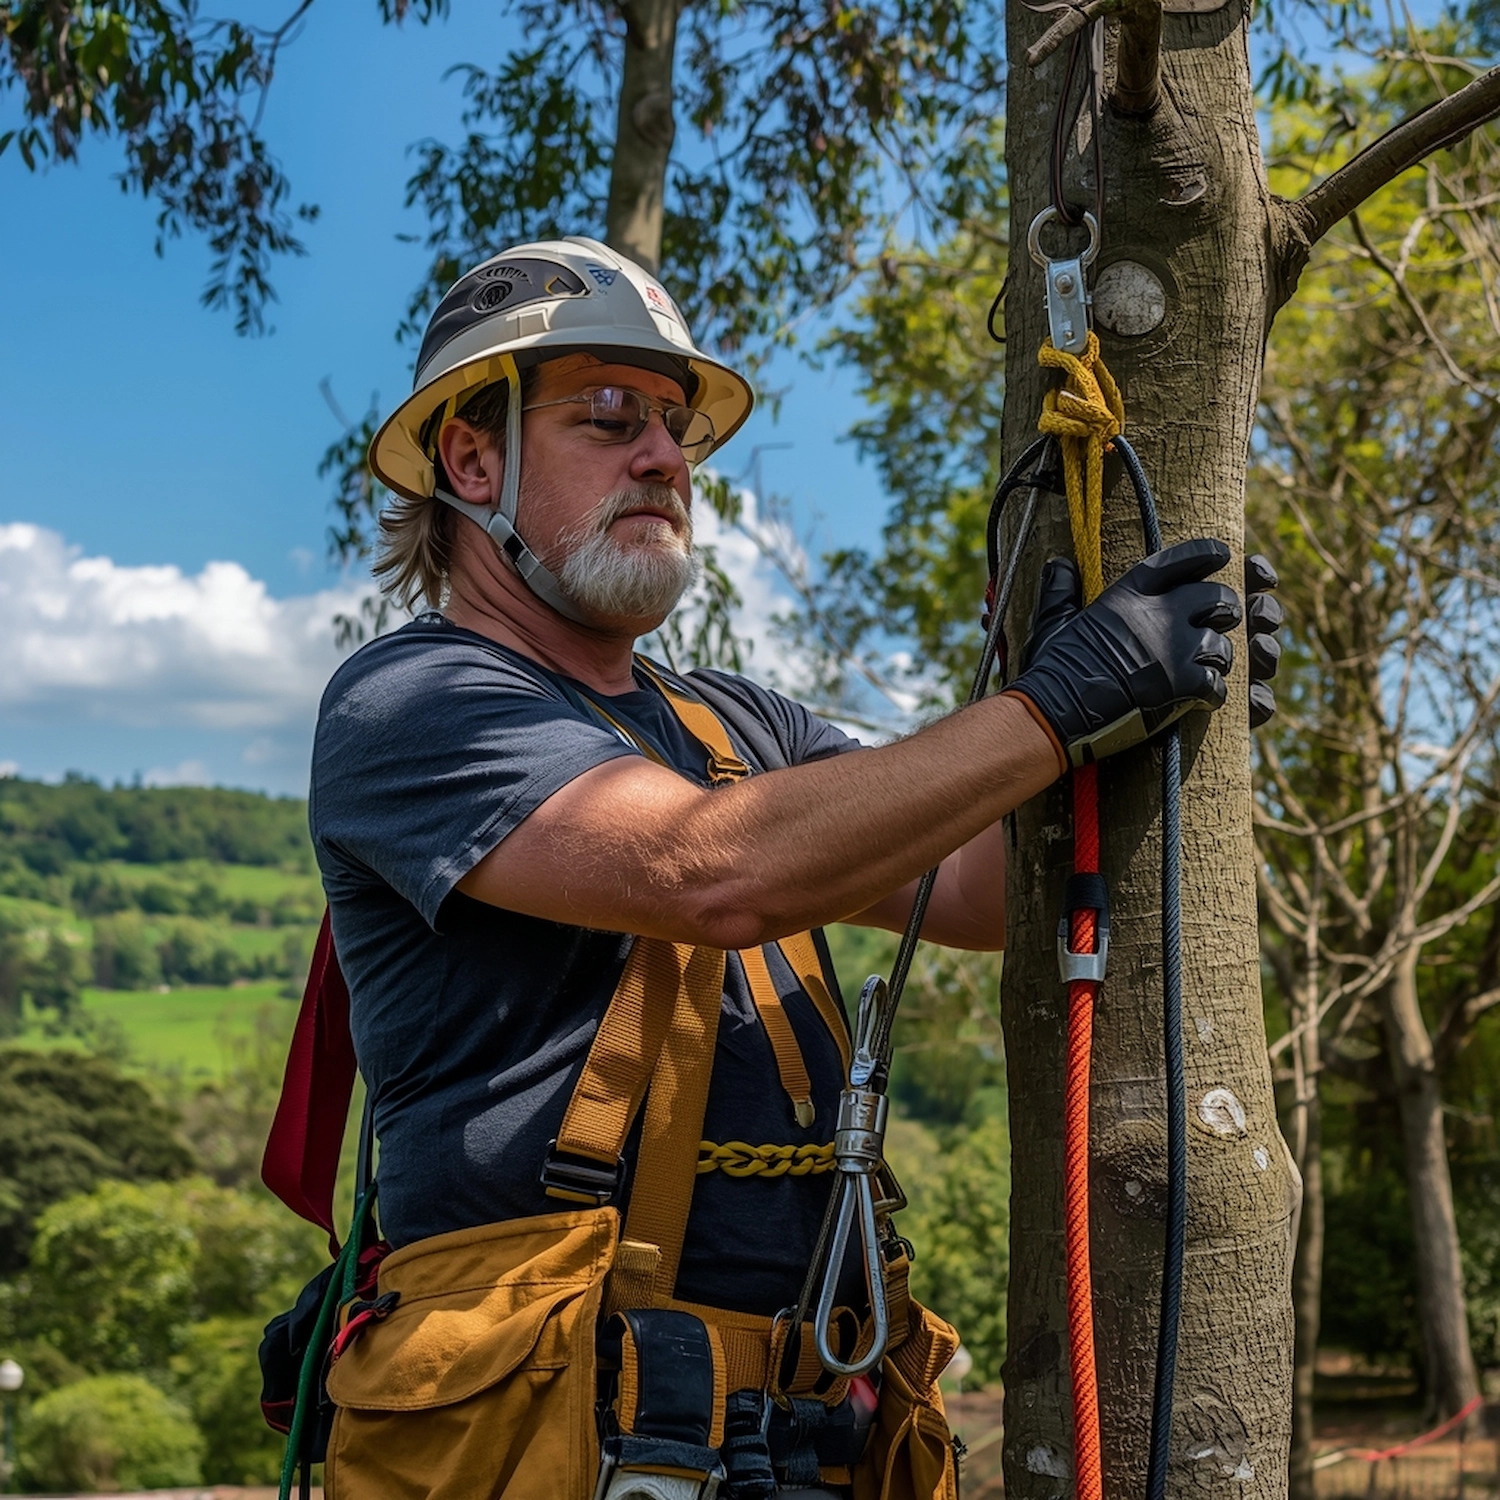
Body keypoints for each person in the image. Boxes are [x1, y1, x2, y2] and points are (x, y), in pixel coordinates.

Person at [306, 236, 1267, 1500]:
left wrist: (1149, 727)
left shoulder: (734, 725)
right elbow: (708, 871)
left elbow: (976, 892)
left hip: (795, 1431)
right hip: (545, 1432)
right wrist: (1055, 708)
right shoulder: (414, 698)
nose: (664, 458)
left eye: (676, 430)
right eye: (608, 418)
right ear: (471, 460)